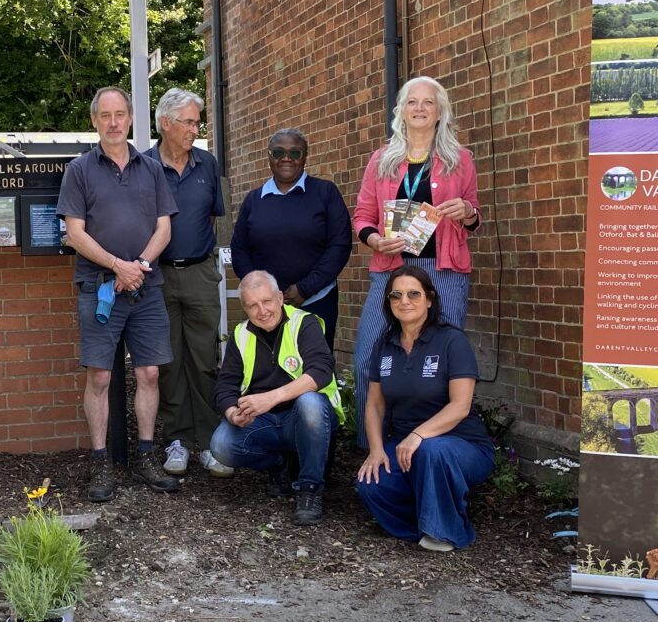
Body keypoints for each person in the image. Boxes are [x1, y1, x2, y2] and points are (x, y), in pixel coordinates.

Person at [57, 85, 178, 502]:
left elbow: (164, 227)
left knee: (148, 372)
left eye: (120, 114)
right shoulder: (79, 170)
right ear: (94, 120)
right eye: (105, 115)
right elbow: (75, 234)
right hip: (100, 287)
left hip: (146, 287)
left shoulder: (152, 169)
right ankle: (100, 462)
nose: (113, 122)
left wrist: (139, 266)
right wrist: (117, 266)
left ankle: (145, 456)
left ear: (130, 119)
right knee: (101, 376)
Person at [351, 76, 481, 447]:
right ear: (401, 111)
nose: (420, 108)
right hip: (391, 273)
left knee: (441, 367)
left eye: (428, 102)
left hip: (444, 274)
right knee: (366, 361)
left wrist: (467, 210)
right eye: (412, 102)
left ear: (440, 112)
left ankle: (432, 447)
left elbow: (474, 218)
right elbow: (362, 215)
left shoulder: (460, 160)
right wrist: (375, 238)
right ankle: (371, 449)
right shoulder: (381, 160)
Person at [355, 265, 494, 551]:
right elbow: (375, 405)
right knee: (371, 483)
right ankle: (421, 524)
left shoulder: (451, 340)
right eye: (396, 295)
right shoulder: (386, 343)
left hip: (461, 445)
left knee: (432, 449)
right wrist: (377, 450)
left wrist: (419, 435)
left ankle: (446, 532)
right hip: (407, 447)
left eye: (413, 294)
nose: (404, 301)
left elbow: (460, 406)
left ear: (429, 299)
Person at [145, 87, 233, 480]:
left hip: (199, 273)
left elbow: (212, 218)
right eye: (190, 122)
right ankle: (177, 440)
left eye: (198, 121)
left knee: (205, 358)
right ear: (165, 123)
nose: (196, 129)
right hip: (158, 276)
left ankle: (210, 441)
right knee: (168, 360)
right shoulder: (143, 165)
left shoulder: (208, 164)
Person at [210, 272, 341, 526]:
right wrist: (231, 413)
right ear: (244, 308)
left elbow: (322, 370)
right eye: (252, 305)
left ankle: (309, 490)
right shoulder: (240, 334)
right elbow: (225, 385)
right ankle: (279, 465)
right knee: (221, 445)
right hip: (264, 422)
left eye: (267, 301)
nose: (262, 311)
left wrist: (271, 398)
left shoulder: (305, 323)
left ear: (280, 298)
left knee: (310, 403)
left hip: (305, 420)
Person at [229, 128, 352, 347]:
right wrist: (263, 293)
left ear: (305, 156)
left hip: (316, 300)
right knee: (268, 368)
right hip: (265, 307)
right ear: (269, 155)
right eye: (278, 152)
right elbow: (240, 249)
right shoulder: (254, 200)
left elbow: (339, 246)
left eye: (295, 153)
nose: (286, 158)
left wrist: (305, 289)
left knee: (314, 368)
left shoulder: (325, 193)